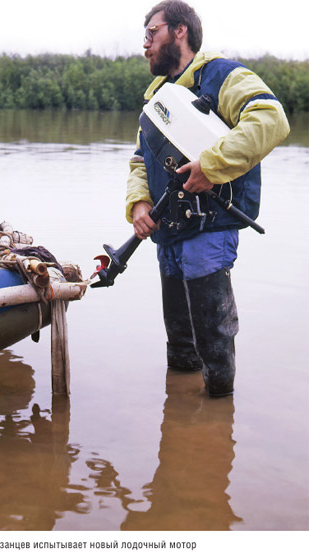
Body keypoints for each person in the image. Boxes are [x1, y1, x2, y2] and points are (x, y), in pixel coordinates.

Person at [126, 0, 290, 397]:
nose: (145, 44)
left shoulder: (223, 75)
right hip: (167, 232)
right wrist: (139, 205)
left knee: (213, 347)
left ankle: (218, 417)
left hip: (209, 227)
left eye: (152, 32)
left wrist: (210, 166)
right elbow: (138, 160)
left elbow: (271, 119)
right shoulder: (157, 99)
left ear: (179, 31)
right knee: (180, 349)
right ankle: (183, 423)